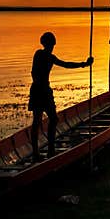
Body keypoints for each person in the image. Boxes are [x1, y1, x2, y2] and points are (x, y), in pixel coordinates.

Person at [28, 31, 93, 161]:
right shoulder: (41, 54)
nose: (52, 46)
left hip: (40, 89)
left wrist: (83, 64)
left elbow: (66, 64)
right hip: (41, 90)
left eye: (53, 44)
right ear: (48, 44)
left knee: (48, 120)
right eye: (51, 44)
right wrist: (84, 64)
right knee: (44, 120)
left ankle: (48, 150)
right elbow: (35, 71)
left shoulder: (48, 56)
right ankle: (41, 151)